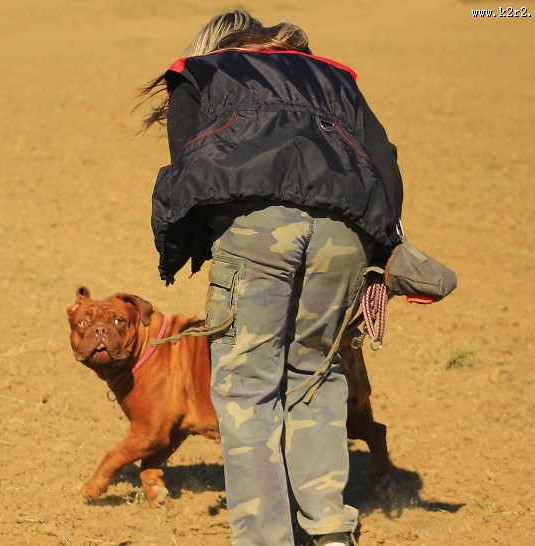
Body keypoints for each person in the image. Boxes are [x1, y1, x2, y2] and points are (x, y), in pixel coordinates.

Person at [140, 10, 404, 546]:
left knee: (247, 391)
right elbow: (384, 159)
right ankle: (330, 529)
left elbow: (188, 165)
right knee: (318, 378)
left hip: (259, 230)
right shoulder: (335, 76)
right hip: (346, 233)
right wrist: (384, 248)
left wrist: (181, 249)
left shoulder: (202, 69)